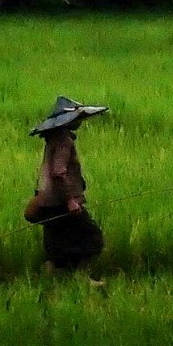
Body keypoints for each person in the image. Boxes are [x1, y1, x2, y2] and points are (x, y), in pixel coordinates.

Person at [24, 95, 108, 274]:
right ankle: (81, 277)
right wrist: (71, 200)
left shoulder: (53, 138)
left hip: (48, 201)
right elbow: (59, 171)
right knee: (91, 237)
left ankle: (52, 278)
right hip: (60, 202)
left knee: (57, 243)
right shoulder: (64, 141)